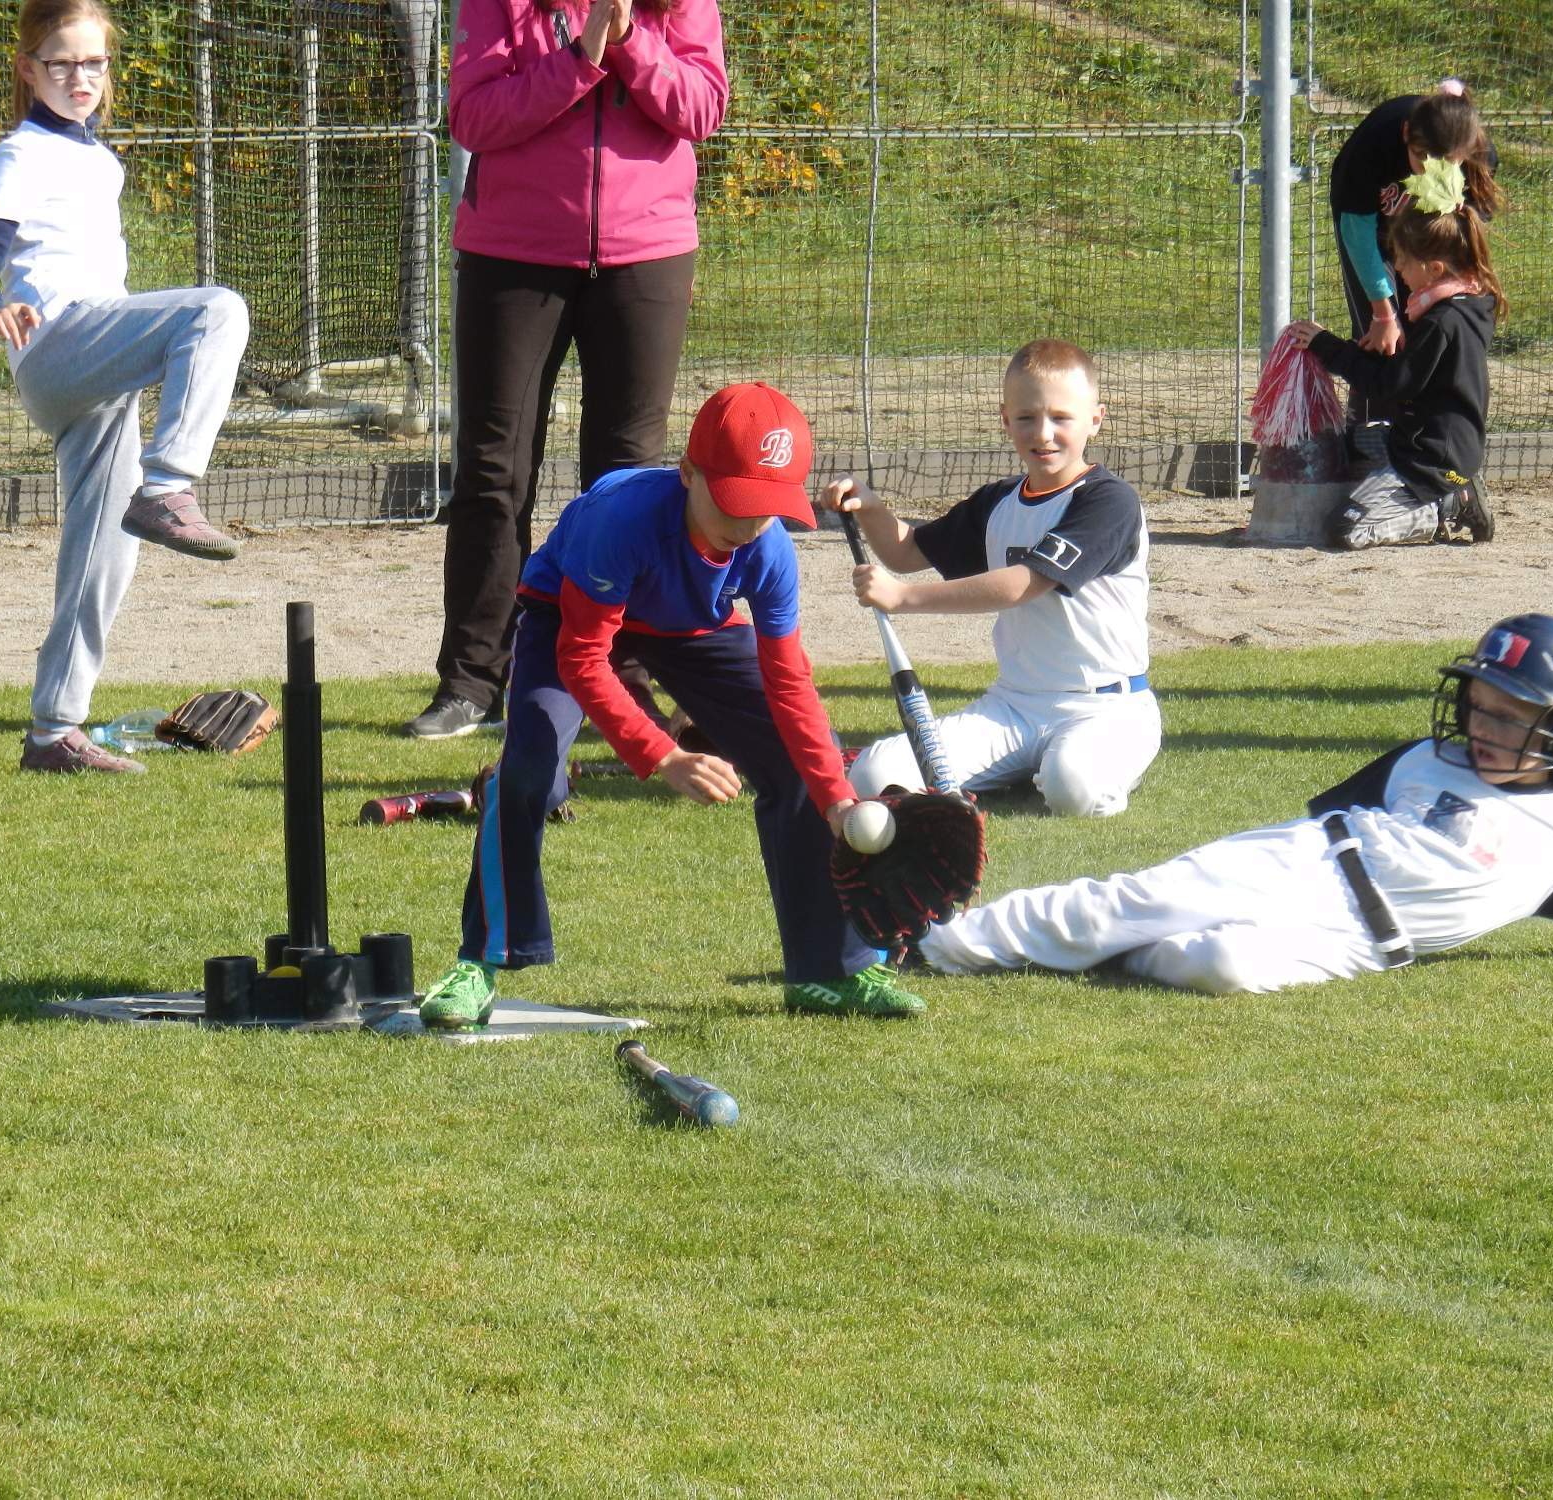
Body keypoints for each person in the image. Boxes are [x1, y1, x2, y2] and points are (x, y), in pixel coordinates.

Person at [416, 382, 926, 1029]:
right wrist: (663, 754)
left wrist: (834, 796)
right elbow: (584, 659)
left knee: (797, 764)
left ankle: (831, 971)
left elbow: (789, 680)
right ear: (689, 474)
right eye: (735, 502)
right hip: (570, 616)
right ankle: (479, 963)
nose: (746, 524)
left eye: (766, 508)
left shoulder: (768, 551)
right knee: (528, 773)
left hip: (692, 628)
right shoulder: (620, 520)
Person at [907, 614, 1553, 994]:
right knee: (1136, 900)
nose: (1481, 727)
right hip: (1305, 861)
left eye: (1510, 716)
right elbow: (1325, 819)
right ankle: (937, 943)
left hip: (1360, 942)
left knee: (1220, 966)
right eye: (1479, 706)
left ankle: (1103, 955)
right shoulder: (1427, 759)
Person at [406, 0, 730, 740]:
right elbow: (475, 119)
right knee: (492, 471)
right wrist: (580, 58)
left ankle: (617, 676)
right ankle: (472, 680)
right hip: (511, 255)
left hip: (647, 255)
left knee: (627, 478)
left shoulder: (679, 7)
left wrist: (631, 43)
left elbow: (702, 108)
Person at [0, 0, 250, 775]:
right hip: (58, 344)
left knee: (103, 551)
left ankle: (54, 732)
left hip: (93, 358)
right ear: (28, 70)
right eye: (60, 63)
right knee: (216, 312)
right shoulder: (24, 152)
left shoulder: (95, 156)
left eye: (93, 62)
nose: (80, 77)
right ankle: (172, 485)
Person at [819, 339, 1159, 818]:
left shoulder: (1109, 501)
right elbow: (907, 550)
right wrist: (872, 506)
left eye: (1062, 417)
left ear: (1095, 419)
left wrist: (904, 598)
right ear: (1005, 419)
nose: (1043, 433)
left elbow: (1026, 583)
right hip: (1015, 705)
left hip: (1106, 709)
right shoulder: (999, 501)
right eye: (1026, 418)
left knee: (1072, 790)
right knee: (874, 776)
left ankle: (1102, 761)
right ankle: (1029, 765)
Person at [1287, 157, 1503, 550]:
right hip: (1420, 442)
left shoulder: (1442, 322)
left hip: (1429, 461)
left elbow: (1389, 385)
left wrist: (1327, 347)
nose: (1398, 269)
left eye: (1402, 260)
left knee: (1345, 529)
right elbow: (1408, 375)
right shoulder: (1466, 305)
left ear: (1434, 268)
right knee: (1346, 446)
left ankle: (1448, 505)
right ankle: (1450, 486)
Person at [1327, 81, 1502, 373]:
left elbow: (1467, 230)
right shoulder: (1374, 144)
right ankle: (1372, 417)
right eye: (1421, 158)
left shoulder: (1480, 157)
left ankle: (1418, 413)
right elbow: (1358, 234)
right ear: (1406, 133)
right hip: (1373, 235)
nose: (1428, 171)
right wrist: (1383, 314)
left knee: (1431, 335)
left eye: (1444, 164)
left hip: (1426, 243)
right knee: (1384, 341)